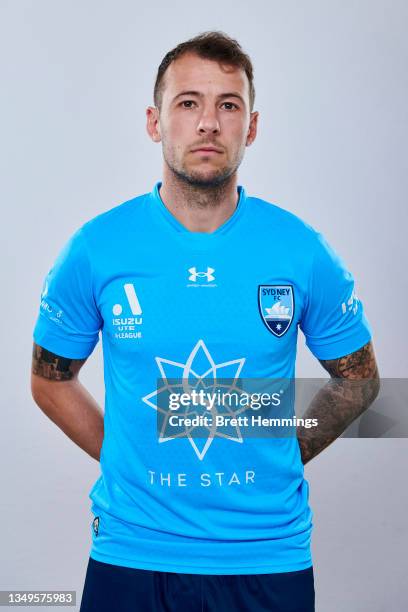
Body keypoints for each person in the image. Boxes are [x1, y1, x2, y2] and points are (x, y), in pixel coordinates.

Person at [31, 31, 380, 612]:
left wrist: (285, 448)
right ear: (154, 120)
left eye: (228, 105)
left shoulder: (300, 250)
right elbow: (49, 378)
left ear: (253, 126)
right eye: (188, 103)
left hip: (267, 557)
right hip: (132, 552)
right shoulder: (97, 249)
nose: (208, 123)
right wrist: (127, 452)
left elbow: (361, 380)